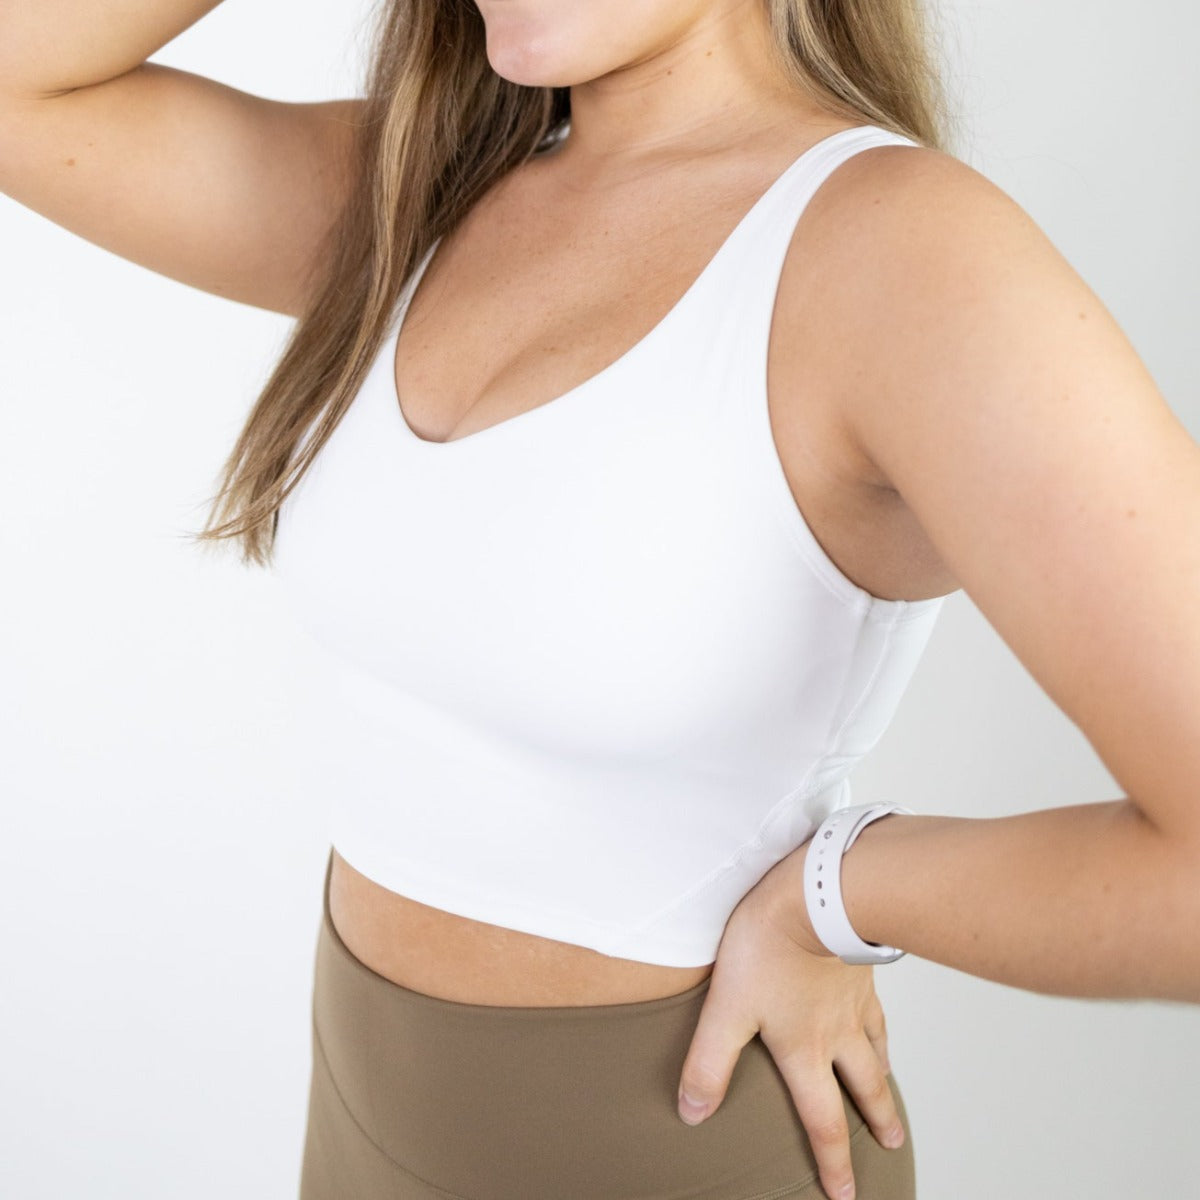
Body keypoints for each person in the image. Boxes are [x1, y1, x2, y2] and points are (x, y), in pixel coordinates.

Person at [3, 2, 1198, 1199]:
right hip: (355, 1125)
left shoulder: (900, 256)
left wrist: (844, 891)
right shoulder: (418, 194)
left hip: (683, 1141)